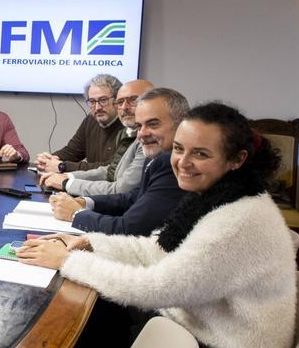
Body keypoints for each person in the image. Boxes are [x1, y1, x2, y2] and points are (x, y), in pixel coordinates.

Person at [16, 102, 296, 348]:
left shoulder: (237, 220)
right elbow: (158, 249)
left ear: (236, 159)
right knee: (91, 323)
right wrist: (90, 243)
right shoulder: (220, 194)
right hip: (200, 332)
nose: (182, 162)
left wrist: (68, 261)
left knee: (64, 345)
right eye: (178, 149)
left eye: (200, 153)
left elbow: (155, 288)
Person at [48, 87, 191, 236]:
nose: (142, 134)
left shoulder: (173, 164)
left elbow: (127, 228)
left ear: (181, 123)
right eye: (139, 126)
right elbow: (131, 198)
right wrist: (85, 202)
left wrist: (75, 214)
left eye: (153, 124)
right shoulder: (156, 157)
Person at [41, 79, 152, 196]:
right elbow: (110, 171)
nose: (124, 107)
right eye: (121, 102)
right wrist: (60, 169)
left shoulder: (146, 138)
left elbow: (120, 190)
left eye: (133, 100)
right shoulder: (130, 132)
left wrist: (66, 181)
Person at [35, 73, 125, 172]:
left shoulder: (128, 127)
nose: (97, 107)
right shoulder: (91, 120)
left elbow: (110, 168)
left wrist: (62, 166)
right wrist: (49, 159)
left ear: (118, 100)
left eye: (103, 100)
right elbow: (72, 152)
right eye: (92, 101)